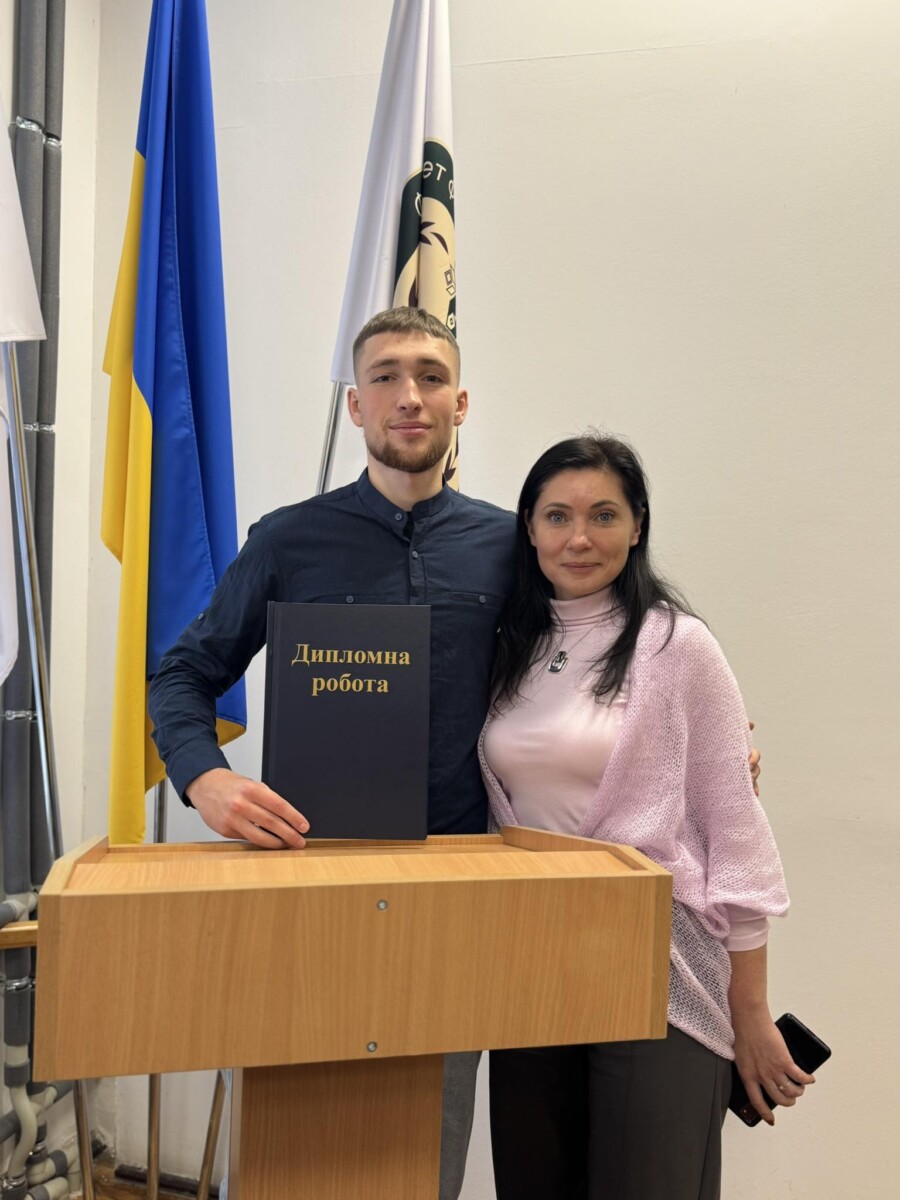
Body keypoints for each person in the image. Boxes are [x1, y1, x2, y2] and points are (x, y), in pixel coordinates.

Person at [148, 306, 515, 1200]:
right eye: (385, 377)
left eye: (430, 377)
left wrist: (706, 738)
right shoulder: (288, 539)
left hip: (457, 886)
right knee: (295, 1144)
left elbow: (600, 660)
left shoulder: (513, 548)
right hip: (310, 880)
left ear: (461, 403)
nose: (409, 396)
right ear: (356, 405)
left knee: (428, 1153)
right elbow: (183, 674)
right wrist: (205, 779)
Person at [478, 434, 812, 1200]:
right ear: (529, 528)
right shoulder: (510, 647)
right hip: (532, 969)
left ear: (637, 527)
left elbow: (735, 840)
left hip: (659, 976)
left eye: (603, 515)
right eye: (557, 516)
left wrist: (751, 1013)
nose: (579, 537)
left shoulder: (678, 647)